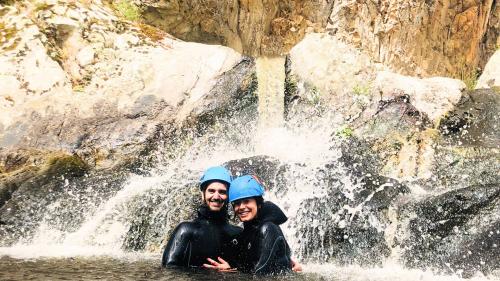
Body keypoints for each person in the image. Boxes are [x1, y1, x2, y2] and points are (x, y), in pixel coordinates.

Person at [203, 175, 300, 274]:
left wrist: (234, 274)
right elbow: (249, 264)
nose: (241, 207)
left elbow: (260, 273)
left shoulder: (268, 228)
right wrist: (231, 266)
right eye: (237, 203)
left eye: (246, 201)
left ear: (258, 204)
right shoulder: (249, 231)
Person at [161, 166, 242, 267]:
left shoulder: (237, 233)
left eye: (222, 192)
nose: (216, 197)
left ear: (228, 196)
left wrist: (231, 270)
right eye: (211, 191)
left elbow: (248, 269)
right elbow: (168, 269)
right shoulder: (186, 230)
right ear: (203, 195)